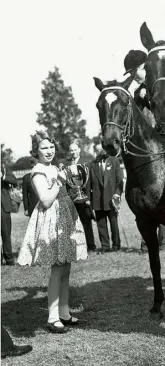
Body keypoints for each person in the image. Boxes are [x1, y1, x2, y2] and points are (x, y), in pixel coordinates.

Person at [17, 131, 88, 333]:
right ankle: (52, 317)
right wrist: (59, 180)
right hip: (51, 222)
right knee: (57, 270)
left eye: (51, 147)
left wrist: (74, 188)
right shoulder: (37, 171)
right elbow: (46, 200)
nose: (49, 151)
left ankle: (64, 313)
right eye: (44, 148)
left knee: (66, 268)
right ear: (36, 151)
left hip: (64, 219)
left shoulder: (55, 167)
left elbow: (63, 193)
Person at [123, 50, 165, 140]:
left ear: (144, 66)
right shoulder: (139, 92)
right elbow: (134, 116)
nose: (132, 76)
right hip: (163, 137)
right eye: (130, 74)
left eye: (133, 72)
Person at [86, 144, 124, 252]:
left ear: (105, 150)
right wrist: (88, 198)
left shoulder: (114, 161)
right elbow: (88, 183)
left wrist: (117, 194)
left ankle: (116, 246)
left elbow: (119, 180)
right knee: (101, 225)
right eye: (97, 150)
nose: (99, 152)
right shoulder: (92, 164)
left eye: (101, 149)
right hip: (97, 199)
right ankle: (105, 246)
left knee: (114, 224)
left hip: (111, 199)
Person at [63, 142, 96, 252]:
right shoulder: (67, 165)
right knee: (75, 224)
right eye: (71, 150)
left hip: (83, 198)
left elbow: (89, 181)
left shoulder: (85, 163)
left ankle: (91, 245)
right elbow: (67, 183)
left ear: (79, 150)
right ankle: (79, 246)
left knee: (86, 223)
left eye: (75, 149)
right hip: (72, 199)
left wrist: (88, 198)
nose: (73, 152)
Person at [1, 163, 18, 266]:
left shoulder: (3, 166)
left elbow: (14, 181)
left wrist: (3, 177)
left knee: (6, 234)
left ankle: (9, 260)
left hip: (3, 206)